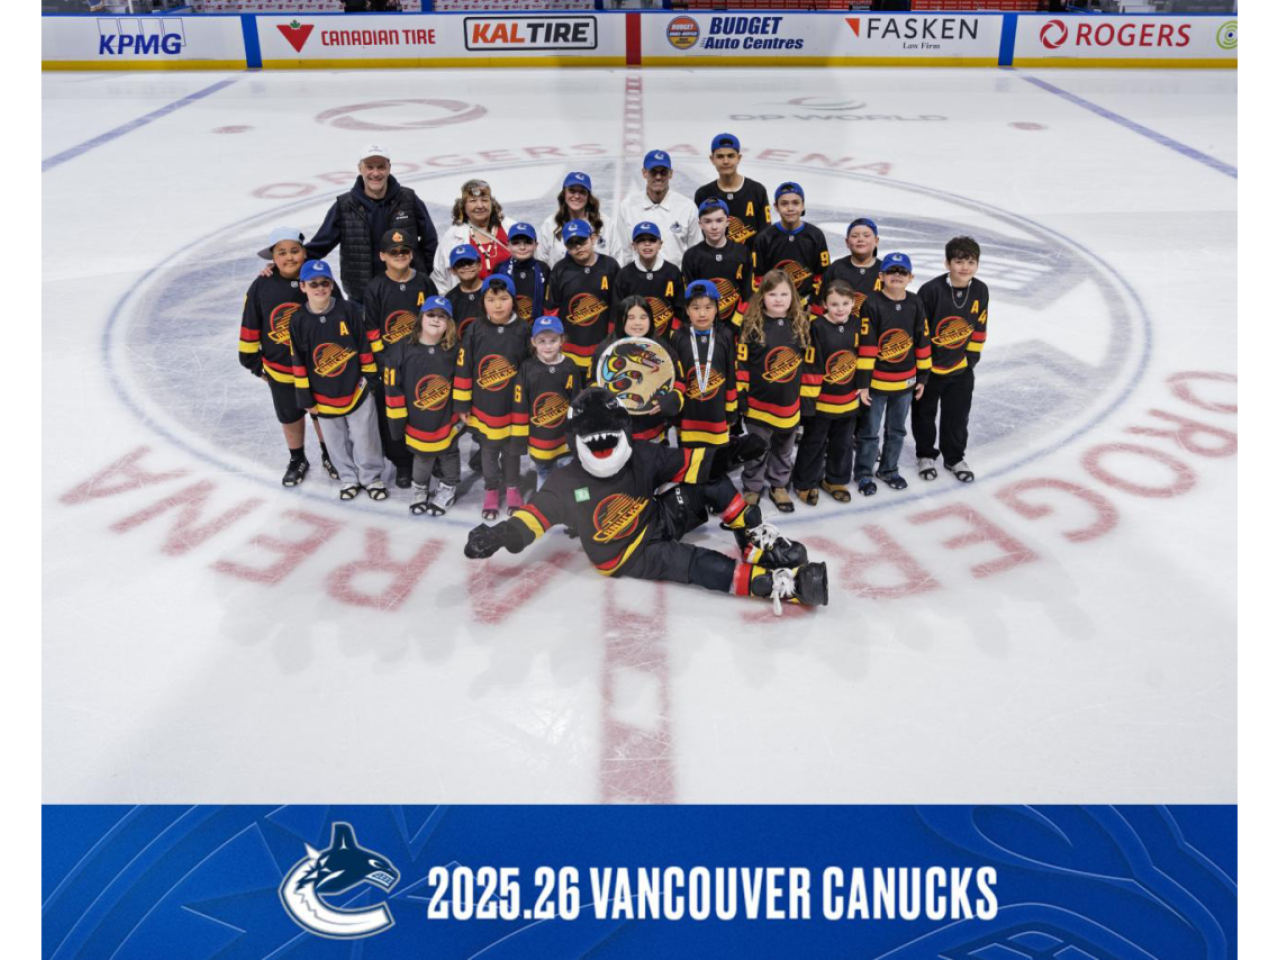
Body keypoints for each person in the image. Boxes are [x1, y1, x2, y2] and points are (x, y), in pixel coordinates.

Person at [463, 388, 829, 615]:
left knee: (710, 482)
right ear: (575, 441)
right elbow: (533, 518)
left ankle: (752, 541)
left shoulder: (641, 453)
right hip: (628, 555)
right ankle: (777, 584)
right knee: (697, 563)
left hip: (658, 518)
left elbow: (695, 463)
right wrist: (501, 535)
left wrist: (734, 451)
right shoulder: (567, 481)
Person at [238, 226, 338, 486]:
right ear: (273, 257)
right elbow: (251, 324)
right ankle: (297, 458)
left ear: (304, 252)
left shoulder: (319, 279)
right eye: (281, 253)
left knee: (322, 412)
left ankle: (329, 453)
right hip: (281, 369)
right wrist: (254, 364)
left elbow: (340, 316)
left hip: (318, 368)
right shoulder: (261, 285)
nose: (289, 257)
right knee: (289, 414)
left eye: (294, 251)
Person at [289, 260, 387, 501]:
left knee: (366, 436)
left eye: (325, 283)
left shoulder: (347, 310)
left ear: (332, 284)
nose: (320, 288)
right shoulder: (298, 320)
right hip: (322, 394)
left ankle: (371, 477)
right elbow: (298, 362)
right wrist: (306, 397)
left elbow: (363, 345)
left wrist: (370, 379)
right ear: (303, 286)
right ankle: (348, 478)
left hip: (356, 389)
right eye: (314, 284)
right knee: (335, 441)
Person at [302, 145, 437, 309]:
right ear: (360, 168)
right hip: (362, 299)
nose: (376, 173)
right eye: (369, 167)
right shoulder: (344, 206)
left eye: (381, 167)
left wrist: (422, 275)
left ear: (389, 168)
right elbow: (319, 246)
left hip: (408, 293)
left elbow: (430, 241)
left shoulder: (408, 199)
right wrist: (284, 265)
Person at [363, 228, 440, 488]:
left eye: (404, 250)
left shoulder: (424, 282)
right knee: (393, 416)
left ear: (412, 253)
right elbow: (372, 329)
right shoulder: (375, 287)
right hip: (391, 365)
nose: (399, 255)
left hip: (422, 361)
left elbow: (435, 318)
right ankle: (403, 463)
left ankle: (429, 455)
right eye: (393, 251)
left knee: (425, 408)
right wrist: (383, 361)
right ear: (382, 255)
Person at [453, 274, 531, 519]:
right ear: (483, 302)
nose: (498, 305)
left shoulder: (523, 329)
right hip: (484, 404)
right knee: (488, 450)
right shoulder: (475, 329)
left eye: (504, 299)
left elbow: (531, 369)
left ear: (513, 300)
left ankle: (513, 488)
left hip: (513, 407)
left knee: (511, 451)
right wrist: (462, 402)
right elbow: (464, 367)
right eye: (491, 299)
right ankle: (491, 490)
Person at [853, 253, 931, 496]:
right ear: (881, 276)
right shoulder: (871, 304)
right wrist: (864, 383)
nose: (897, 276)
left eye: (902, 272)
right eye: (891, 271)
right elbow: (867, 346)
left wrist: (923, 377)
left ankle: (889, 470)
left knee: (897, 431)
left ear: (910, 277)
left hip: (905, 384)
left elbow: (922, 340)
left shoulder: (915, 302)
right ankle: (864, 473)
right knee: (869, 432)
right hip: (876, 384)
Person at [735, 270, 813, 512]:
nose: (778, 299)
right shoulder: (752, 325)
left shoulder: (801, 325)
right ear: (762, 296)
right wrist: (741, 394)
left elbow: (808, 366)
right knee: (756, 449)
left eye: (784, 294)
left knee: (783, 449)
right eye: (772, 294)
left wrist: (807, 398)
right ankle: (752, 486)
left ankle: (779, 484)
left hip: (789, 404)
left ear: (793, 296)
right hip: (758, 405)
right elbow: (742, 364)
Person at [913, 236, 987, 484]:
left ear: (977, 265)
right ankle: (925, 455)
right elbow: (920, 332)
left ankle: (954, 458)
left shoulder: (980, 290)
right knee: (924, 414)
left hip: (961, 369)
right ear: (947, 263)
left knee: (957, 417)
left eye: (971, 262)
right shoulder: (931, 290)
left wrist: (970, 361)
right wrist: (923, 368)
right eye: (959, 261)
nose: (965, 267)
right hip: (930, 369)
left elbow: (980, 326)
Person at [383, 296, 461, 516]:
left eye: (442, 317)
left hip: (446, 416)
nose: (436, 320)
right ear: (420, 317)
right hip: (418, 418)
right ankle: (420, 488)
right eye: (431, 314)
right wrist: (397, 423)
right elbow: (393, 390)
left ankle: (448, 487)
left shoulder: (455, 349)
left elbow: (463, 382)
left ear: (449, 323)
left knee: (449, 452)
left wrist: (462, 409)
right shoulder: (401, 349)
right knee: (422, 455)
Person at [793, 280, 861, 505]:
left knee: (843, 443)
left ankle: (835, 480)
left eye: (845, 303)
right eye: (834, 304)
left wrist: (862, 388)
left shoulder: (858, 325)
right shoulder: (817, 327)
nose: (840, 309)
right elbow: (812, 367)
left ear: (853, 303)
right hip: (822, 402)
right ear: (824, 304)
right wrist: (809, 401)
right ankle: (804, 482)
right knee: (814, 443)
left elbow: (864, 359)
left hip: (848, 400)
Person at [590, 295, 683, 445]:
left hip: (653, 428)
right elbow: (591, 381)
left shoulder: (663, 349)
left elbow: (680, 380)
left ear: (650, 319)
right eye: (630, 317)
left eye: (643, 317)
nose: (637, 323)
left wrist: (669, 400)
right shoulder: (604, 349)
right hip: (616, 430)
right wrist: (602, 401)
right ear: (620, 319)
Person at [513, 315, 581, 491]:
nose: (548, 346)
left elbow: (576, 402)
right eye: (542, 341)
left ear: (562, 340)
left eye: (553, 340)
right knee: (544, 474)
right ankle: (544, 504)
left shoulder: (570, 366)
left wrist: (577, 432)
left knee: (567, 475)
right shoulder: (527, 368)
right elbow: (520, 405)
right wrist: (520, 439)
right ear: (533, 342)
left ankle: (566, 503)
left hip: (564, 437)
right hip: (540, 439)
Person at [544, 219, 621, 373]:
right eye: (572, 244)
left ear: (593, 238)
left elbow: (618, 306)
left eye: (582, 241)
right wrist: (553, 341)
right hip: (570, 349)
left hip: (604, 346)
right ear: (566, 246)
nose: (578, 247)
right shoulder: (559, 270)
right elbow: (551, 310)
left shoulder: (610, 266)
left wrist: (613, 337)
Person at [670, 280, 738, 449]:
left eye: (708, 307)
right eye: (695, 308)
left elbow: (731, 374)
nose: (702, 314)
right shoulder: (678, 337)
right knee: (689, 458)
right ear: (687, 310)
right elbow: (674, 377)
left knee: (717, 458)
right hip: (688, 414)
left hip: (717, 413)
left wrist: (731, 408)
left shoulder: (726, 335)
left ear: (717, 308)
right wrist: (675, 409)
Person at [752, 182, 829, 311]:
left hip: (805, 307)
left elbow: (822, 275)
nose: (790, 208)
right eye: (784, 204)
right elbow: (758, 278)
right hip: (775, 306)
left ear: (803, 205)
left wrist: (814, 304)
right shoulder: (764, 238)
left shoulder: (815, 235)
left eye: (795, 203)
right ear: (776, 207)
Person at [615, 150, 700, 268]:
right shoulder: (627, 207)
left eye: (663, 172)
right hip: (637, 277)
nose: (658, 177)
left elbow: (695, 251)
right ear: (644, 173)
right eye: (653, 172)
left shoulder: (687, 207)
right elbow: (623, 252)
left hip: (676, 278)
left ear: (670, 174)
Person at [681, 198, 754, 330]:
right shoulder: (691, 256)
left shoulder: (742, 252)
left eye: (719, 220)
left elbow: (748, 293)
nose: (714, 227)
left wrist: (738, 321)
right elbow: (690, 298)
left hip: (737, 325)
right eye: (708, 221)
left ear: (727, 222)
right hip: (704, 325)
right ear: (700, 224)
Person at [693, 132, 772, 248]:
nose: (726, 161)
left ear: (739, 158)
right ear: (712, 159)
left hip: (750, 259)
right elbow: (697, 235)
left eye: (731, 156)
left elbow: (766, 234)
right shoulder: (703, 194)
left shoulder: (757, 191)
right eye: (720, 156)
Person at [432, 178, 512, 289]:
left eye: (484, 200)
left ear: (492, 203)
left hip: (510, 297)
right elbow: (440, 279)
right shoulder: (452, 237)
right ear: (463, 206)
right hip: (468, 299)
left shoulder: (510, 228)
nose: (480, 206)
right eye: (473, 201)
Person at [614, 221, 685, 338]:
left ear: (660, 244)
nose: (647, 244)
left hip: (666, 341)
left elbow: (680, 310)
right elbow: (619, 312)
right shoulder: (624, 275)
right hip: (634, 339)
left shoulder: (673, 272)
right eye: (641, 240)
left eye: (652, 240)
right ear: (634, 245)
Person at [537, 171, 620, 266]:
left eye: (582, 191)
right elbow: (541, 262)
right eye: (572, 190)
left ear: (588, 195)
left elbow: (617, 258)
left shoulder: (604, 223)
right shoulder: (550, 225)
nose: (576, 196)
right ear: (564, 193)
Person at [492, 222, 551, 323]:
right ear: (508, 245)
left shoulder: (543, 269)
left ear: (536, 245)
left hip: (536, 326)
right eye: (516, 243)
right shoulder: (500, 269)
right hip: (508, 326)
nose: (522, 247)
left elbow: (549, 303)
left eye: (528, 242)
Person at [823, 217, 882, 314]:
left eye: (866, 235)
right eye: (854, 236)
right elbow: (820, 302)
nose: (860, 239)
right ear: (847, 242)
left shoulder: (885, 270)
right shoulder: (836, 267)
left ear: (876, 241)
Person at [443, 243, 486, 338]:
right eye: (460, 264)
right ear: (453, 270)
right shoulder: (450, 298)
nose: (466, 267)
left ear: (479, 266)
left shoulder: (492, 290)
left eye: (470, 262)